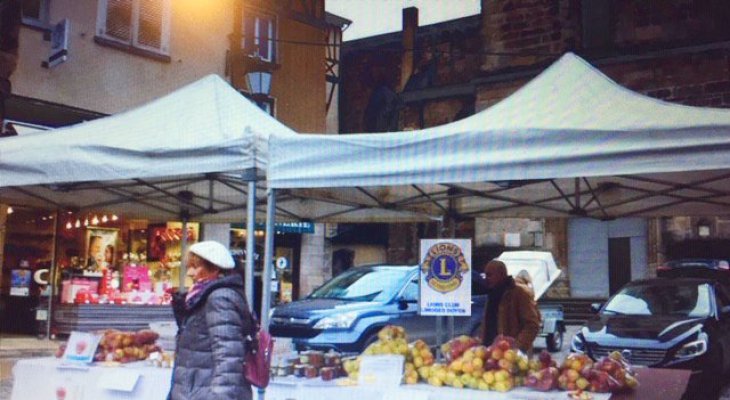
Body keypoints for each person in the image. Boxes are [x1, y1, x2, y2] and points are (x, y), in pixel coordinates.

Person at [168, 241, 255, 400]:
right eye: (189, 266)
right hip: (196, 391)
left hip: (206, 393)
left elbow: (228, 358)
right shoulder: (202, 298)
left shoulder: (219, 298)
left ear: (215, 268)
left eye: (196, 266)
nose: (190, 273)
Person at [479, 260, 540, 354]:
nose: (486, 279)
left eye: (489, 275)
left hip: (511, 355)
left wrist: (517, 347)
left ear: (501, 274)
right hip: (491, 353)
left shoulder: (519, 293)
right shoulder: (492, 294)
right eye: (485, 275)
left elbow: (532, 324)